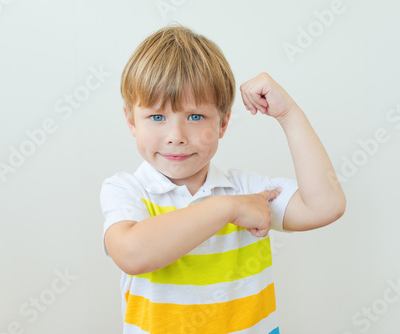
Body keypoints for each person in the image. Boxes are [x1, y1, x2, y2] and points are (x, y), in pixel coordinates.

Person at [100, 24, 346, 334]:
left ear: (223, 122)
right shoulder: (127, 191)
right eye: (157, 117)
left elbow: (326, 205)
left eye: (195, 117)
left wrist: (289, 115)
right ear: (130, 120)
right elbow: (133, 254)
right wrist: (227, 209)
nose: (175, 137)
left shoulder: (247, 191)